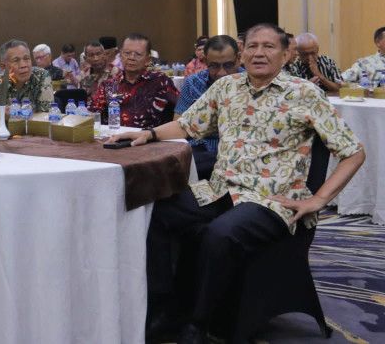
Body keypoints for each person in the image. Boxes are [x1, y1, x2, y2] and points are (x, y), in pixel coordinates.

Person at [109, 23, 365, 343]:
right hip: (220, 189)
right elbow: (188, 125)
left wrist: (318, 200)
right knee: (157, 210)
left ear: (285, 54)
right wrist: (148, 134)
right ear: (242, 53)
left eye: (269, 47)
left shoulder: (305, 94)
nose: (259, 53)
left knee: (220, 234)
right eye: (252, 46)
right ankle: (165, 310)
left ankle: (198, 324)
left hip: (272, 199)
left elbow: (353, 152)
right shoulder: (227, 87)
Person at [174, 35, 242, 179]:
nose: (221, 73)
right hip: (199, 149)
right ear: (205, 61)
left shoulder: (250, 83)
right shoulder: (193, 83)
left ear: (239, 59)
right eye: (214, 66)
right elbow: (178, 122)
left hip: (237, 151)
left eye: (228, 65)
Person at [88, 33, 179, 127]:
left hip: (150, 135)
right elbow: (92, 113)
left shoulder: (160, 81)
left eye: (138, 54)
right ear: (120, 55)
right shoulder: (109, 85)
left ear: (148, 59)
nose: (131, 58)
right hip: (115, 134)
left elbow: (181, 110)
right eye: (127, 53)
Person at [0, 39, 54, 112]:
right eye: (16, 60)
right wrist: (0, 112)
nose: (23, 65)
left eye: (26, 58)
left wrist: (18, 113)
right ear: (4, 66)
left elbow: (47, 113)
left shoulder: (41, 76)